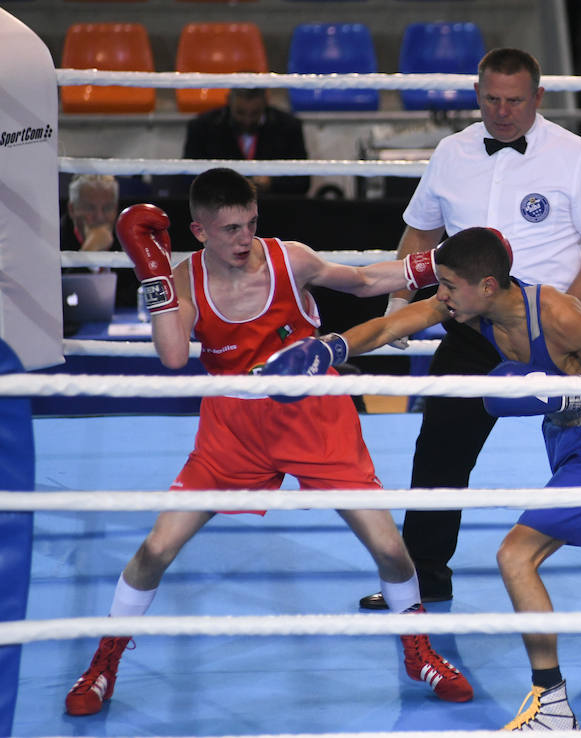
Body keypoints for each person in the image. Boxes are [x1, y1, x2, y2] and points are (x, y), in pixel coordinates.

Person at [263, 226, 581, 730]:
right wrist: (330, 347)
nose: (440, 295)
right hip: (566, 440)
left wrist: (570, 392)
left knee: (516, 556)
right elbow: (389, 326)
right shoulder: (469, 309)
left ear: (487, 285)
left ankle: (551, 700)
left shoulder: (559, 313)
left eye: (448, 285)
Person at [63, 167, 473, 717]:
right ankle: (103, 665)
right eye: (230, 228)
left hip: (315, 418)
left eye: (250, 224)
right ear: (200, 230)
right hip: (232, 429)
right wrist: (155, 276)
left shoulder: (288, 258)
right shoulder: (183, 279)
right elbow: (172, 356)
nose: (244, 239)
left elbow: (362, 281)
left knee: (389, 548)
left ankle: (419, 653)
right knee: (156, 548)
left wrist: (430, 264)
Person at [359, 47, 581, 612]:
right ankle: (425, 576)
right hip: (470, 328)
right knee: (439, 448)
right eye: (492, 99)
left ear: (539, 97)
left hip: (555, 326)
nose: (502, 112)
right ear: (477, 94)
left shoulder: (576, 155)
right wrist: (397, 302)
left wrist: (565, 312)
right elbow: (419, 233)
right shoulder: (452, 152)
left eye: (515, 100)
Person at [183, 88, 310, 196]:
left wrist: (272, 183)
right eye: (240, 113)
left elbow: (302, 181)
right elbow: (188, 180)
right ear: (229, 101)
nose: (247, 120)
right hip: (217, 212)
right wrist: (227, 185)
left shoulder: (289, 127)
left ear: (266, 103)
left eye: (255, 113)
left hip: (271, 210)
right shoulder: (202, 127)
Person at [60, 174, 140, 309]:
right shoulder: (53, 240)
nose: (99, 217)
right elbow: (59, 303)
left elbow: (134, 297)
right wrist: (88, 255)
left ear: (116, 209)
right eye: (90, 208)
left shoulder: (129, 238)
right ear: (72, 210)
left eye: (107, 208)